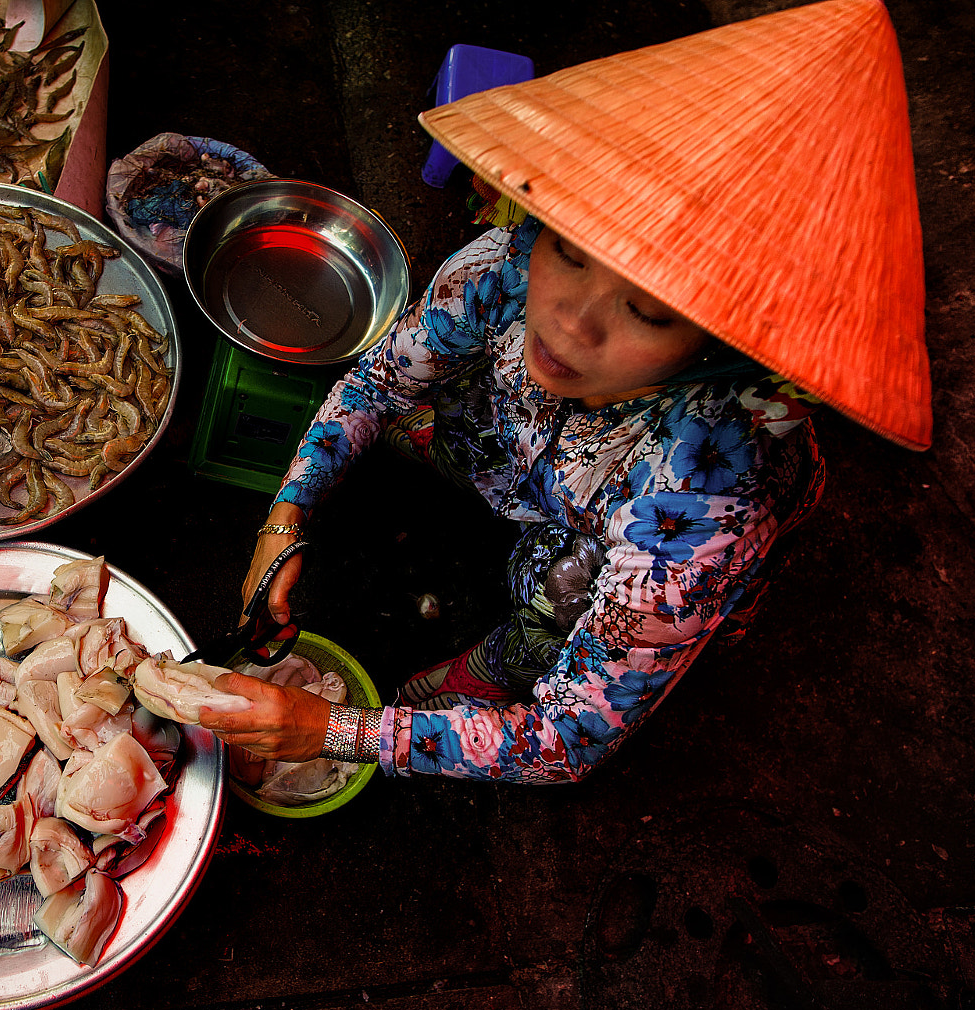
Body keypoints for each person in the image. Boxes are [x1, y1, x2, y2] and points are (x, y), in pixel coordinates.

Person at [197, 0, 931, 783]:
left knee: (562, 588)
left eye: (647, 310)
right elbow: (379, 379)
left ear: (723, 348)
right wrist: (287, 516)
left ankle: (498, 661)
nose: (571, 323)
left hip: (606, 533)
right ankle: (463, 462)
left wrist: (339, 729)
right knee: (430, 404)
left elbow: (568, 738)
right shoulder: (506, 266)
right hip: (527, 453)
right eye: (571, 250)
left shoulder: (706, 496)